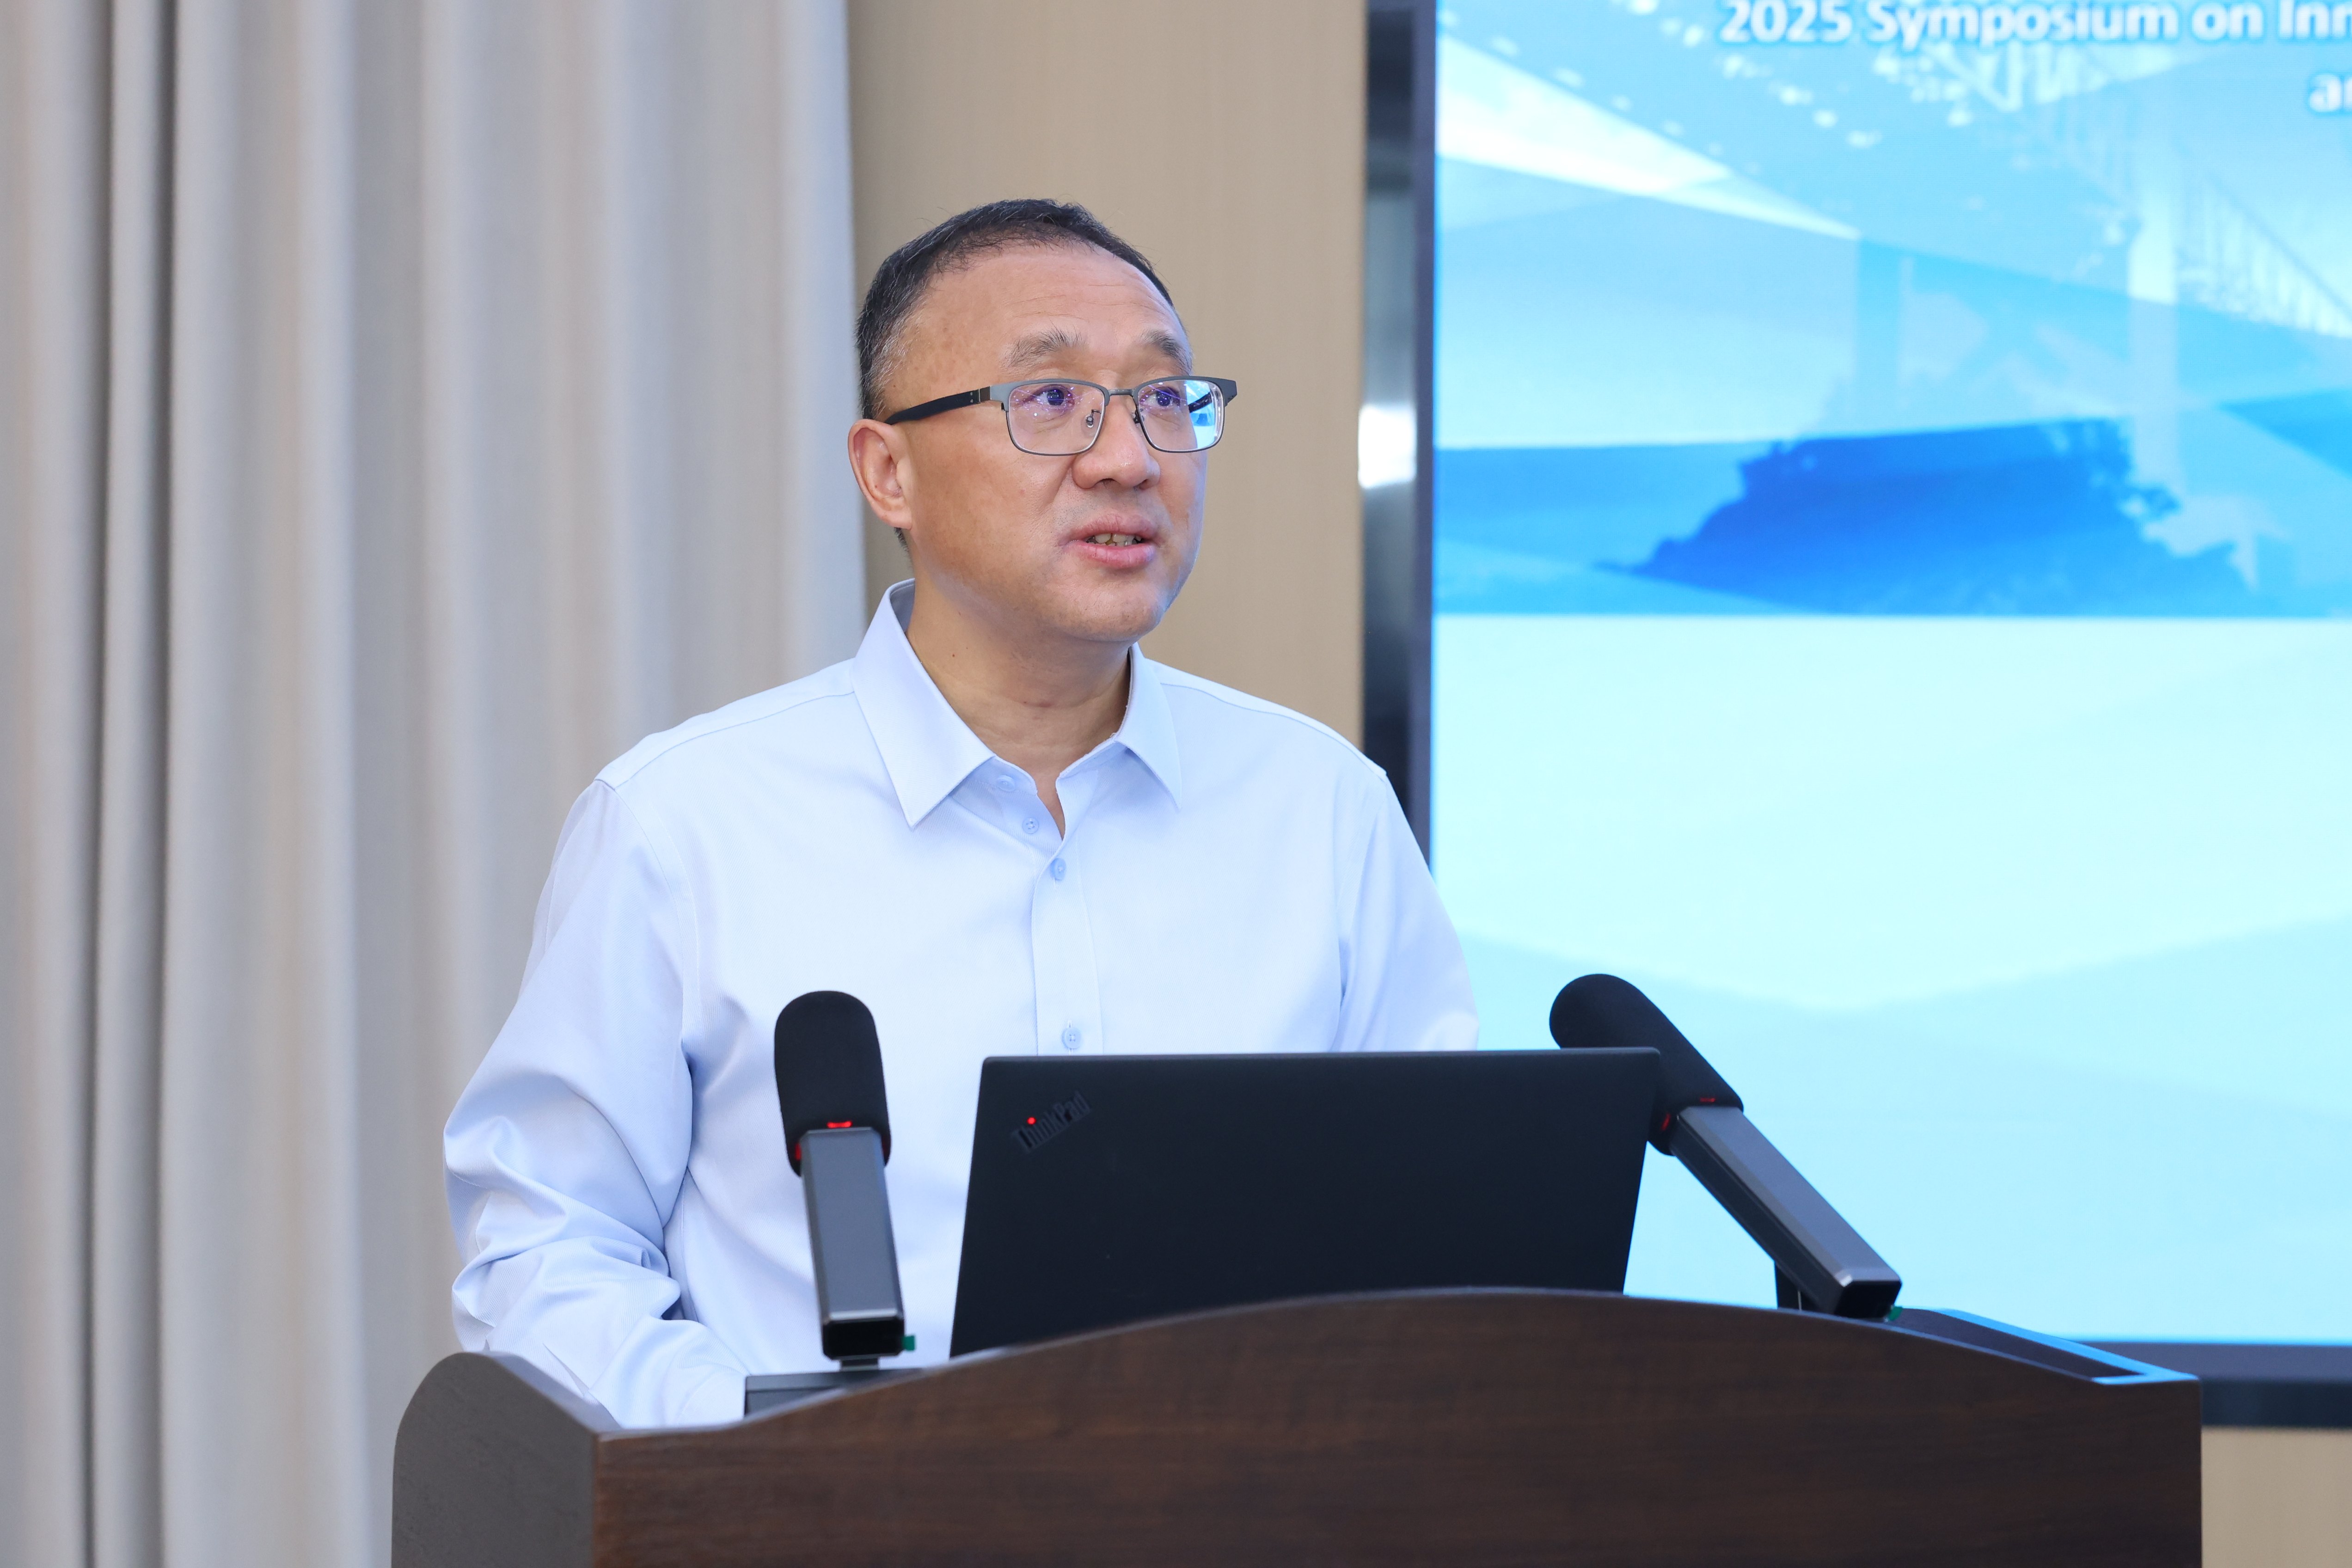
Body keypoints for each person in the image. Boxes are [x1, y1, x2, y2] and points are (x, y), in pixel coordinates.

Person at [442, 199, 1478, 1428]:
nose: (1129, 459)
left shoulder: (1323, 812)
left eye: (1164, 399)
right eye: (1052, 400)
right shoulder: (684, 825)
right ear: (889, 472)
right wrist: (778, 1449)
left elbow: (1452, 1232)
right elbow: (544, 1251)